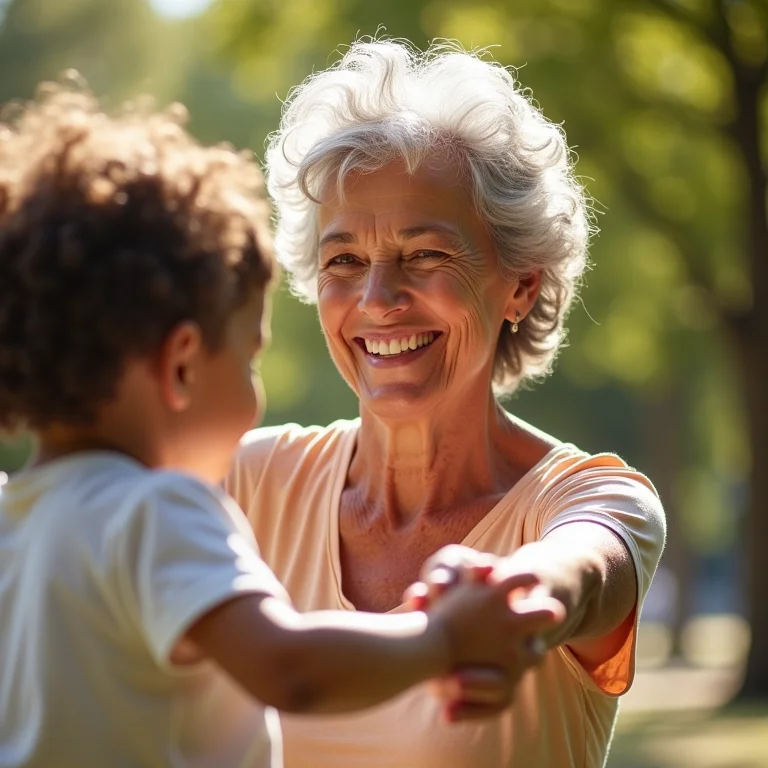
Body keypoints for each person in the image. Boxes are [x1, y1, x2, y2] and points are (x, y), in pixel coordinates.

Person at [0, 80, 565, 768]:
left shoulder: (14, 519)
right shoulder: (160, 511)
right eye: (250, 357)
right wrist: (442, 641)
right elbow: (290, 665)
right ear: (182, 363)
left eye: (423, 255)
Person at [225, 39, 667, 768]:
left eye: (425, 253)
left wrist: (514, 597)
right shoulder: (245, 484)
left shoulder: (596, 497)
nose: (377, 301)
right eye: (344, 261)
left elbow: (580, 570)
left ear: (521, 284)